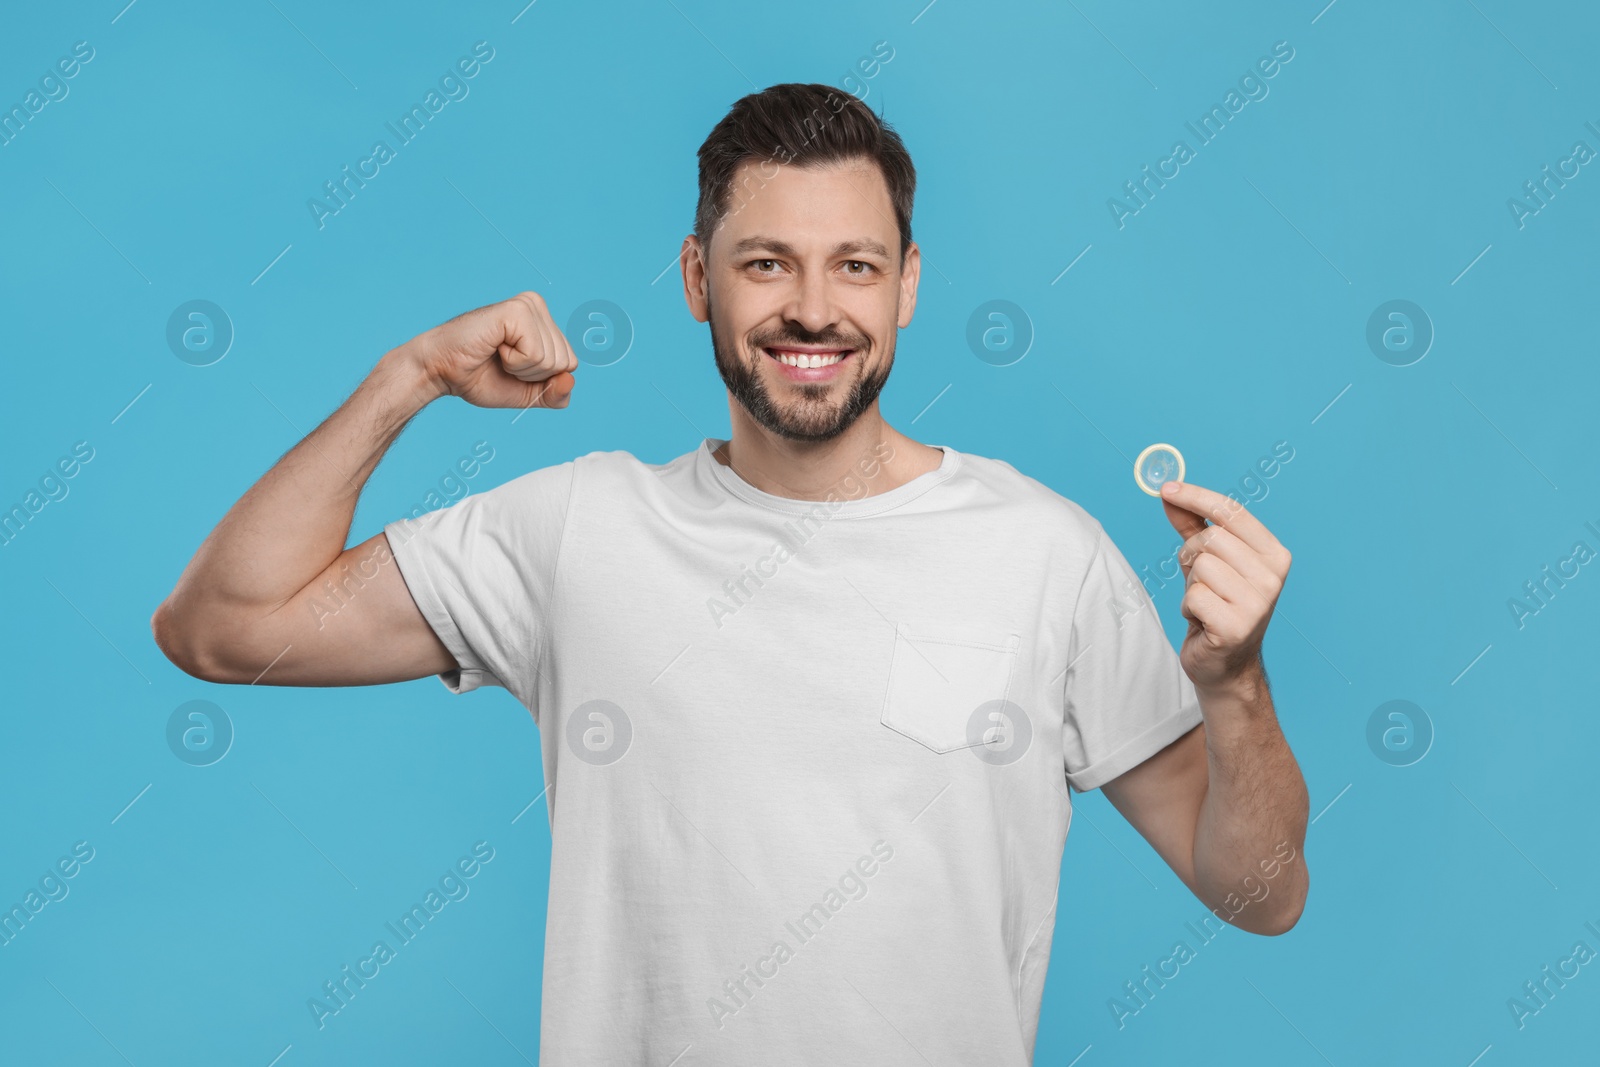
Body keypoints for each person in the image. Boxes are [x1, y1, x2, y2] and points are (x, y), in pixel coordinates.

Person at [152, 82, 1308, 1065]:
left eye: (854, 265)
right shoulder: (573, 530)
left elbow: (1259, 892)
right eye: (768, 263)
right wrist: (405, 378)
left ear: (906, 283)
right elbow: (225, 625)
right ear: (698, 278)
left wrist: (1236, 683)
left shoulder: (1044, 552)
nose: (813, 308)